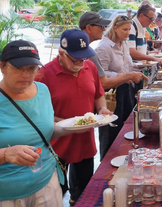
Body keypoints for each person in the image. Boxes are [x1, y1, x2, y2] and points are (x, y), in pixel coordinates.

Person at [0, 40, 76, 206]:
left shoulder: (42, 91)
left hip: (46, 184)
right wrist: (6, 154)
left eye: (31, 68)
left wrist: (70, 127)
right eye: (18, 68)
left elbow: (43, 131)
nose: (26, 75)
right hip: (2, 195)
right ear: (2, 67)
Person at [35, 29, 113, 206]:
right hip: (56, 146)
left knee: (83, 192)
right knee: (55, 192)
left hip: (85, 141)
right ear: (61, 53)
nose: (81, 63)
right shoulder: (44, 74)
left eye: (84, 58)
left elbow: (98, 94)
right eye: (75, 59)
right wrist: (63, 123)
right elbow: (37, 112)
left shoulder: (89, 67)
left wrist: (102, 109)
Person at [95, 15, 147, 159]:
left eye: (129, 29)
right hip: (110, 94)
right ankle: (106, 161)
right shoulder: (104, 47)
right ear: (115, 28)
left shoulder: (123, 44)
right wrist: (126, 76)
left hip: (125, 89)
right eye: (124, 29)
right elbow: (101, 76)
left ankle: (122, 157)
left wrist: (138, 68)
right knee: (110, 131)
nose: (127, 32)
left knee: (124, 126)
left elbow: (127, 66)